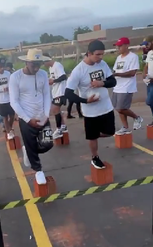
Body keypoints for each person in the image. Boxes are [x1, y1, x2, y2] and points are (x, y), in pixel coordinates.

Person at [65, 40, 117, 169]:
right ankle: (95, 157)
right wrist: (85, 101)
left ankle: (92, 136)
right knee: (93, 138)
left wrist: (102, 83)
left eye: (102, 54)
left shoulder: (102, 64)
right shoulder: (78, 71)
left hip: (106, 107)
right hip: (90, 111)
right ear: (89, 53)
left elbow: (113, 81)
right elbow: (68, 93)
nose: (100, 57)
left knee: (110, 132)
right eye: (97, 54)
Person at [9, 48, 53, 185]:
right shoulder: (15, 77)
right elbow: (14, 101)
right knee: (31, 143)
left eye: (39, 64)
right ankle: (38, 170)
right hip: (26, 119)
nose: (36, 67)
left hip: (42, 116)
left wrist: (46, 114)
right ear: (27, 62)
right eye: (34, 64)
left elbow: (47, 94)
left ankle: (28, 151)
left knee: (47, 144)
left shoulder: (43, 74)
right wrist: (27, 119)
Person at [112, 37, 143, 135]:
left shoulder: (133, 57)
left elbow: (132, 72)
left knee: (121, 108)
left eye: (120, 46)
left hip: (127, 86)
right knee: (117, 108)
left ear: (126, 46)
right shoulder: (118, 58)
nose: (118, 48)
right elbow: (115, 70)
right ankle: (125, 127)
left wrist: (117, 74)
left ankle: (137, 118)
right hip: (117, 86)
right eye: (117, 46)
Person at [43, 53, 68, 139]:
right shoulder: (51, 68)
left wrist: (54, 81)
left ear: (47, 60)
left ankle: (59, 129)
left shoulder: (57, 65)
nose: (44, 65)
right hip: (55, 92)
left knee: (55, 109)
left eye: (44, 63)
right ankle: (63, 126)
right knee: (56, 109)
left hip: (61, 92)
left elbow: (64, 76)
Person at [0, 57, 15, 140]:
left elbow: (11, 83)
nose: (2, 69)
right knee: (4, 116)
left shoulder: (8, 74)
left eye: (3, 67)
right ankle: (9, 132)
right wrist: (2, 89)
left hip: (9, 98)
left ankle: (8, 127)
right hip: (1, 100)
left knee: (12, 115)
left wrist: (9, 88)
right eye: (0, 67)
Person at [143, 35, 153, 126]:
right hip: (149, 81)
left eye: (147, 44)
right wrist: (144, 74)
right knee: (151, 103)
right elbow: (147, 65)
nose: (146, 46)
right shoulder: (149, 53)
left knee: (149, 101)